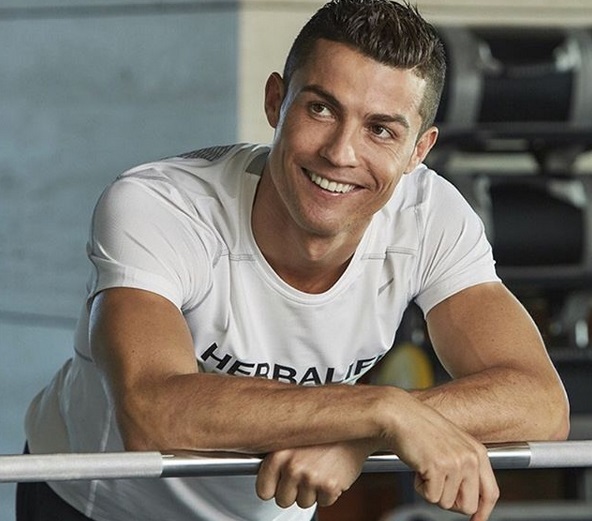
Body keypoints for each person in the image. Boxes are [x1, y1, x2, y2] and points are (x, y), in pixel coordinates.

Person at [18, 1, 570, 520]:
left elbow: (542, 402)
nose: (341, 152)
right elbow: (152, 411)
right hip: (94, 502)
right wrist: (382, 412)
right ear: (275, 102)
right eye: (321, 108)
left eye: (380, 129)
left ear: (418, 151)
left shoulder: (430, 218)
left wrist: (362, 436)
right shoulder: (162, 205)